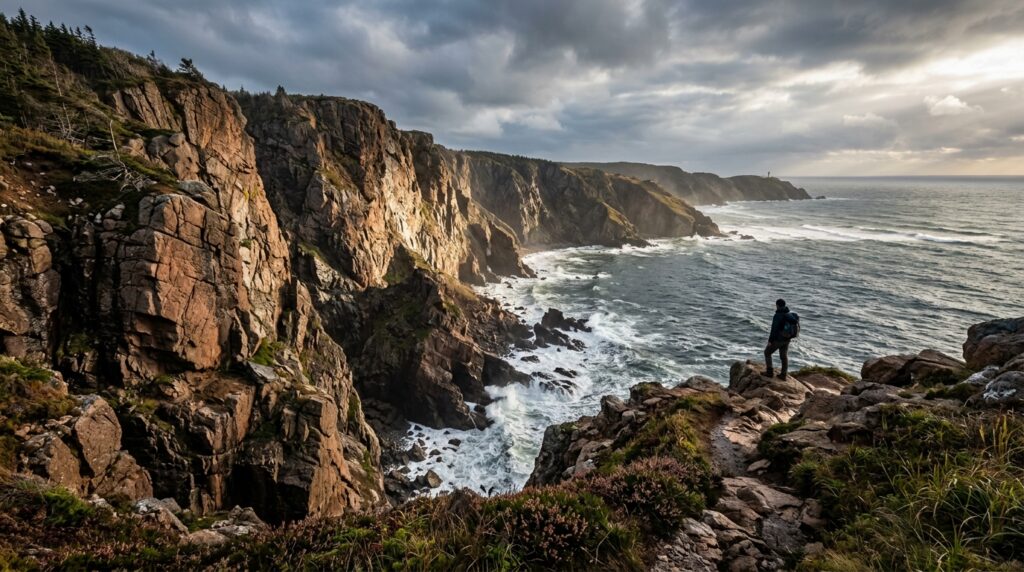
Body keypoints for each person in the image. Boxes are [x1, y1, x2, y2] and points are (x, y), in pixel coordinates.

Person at [765, 298, 792, 379]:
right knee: (784, 356)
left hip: (779, 339)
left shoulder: (778, 315)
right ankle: (783, 375)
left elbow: (774, 329)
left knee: (767, 352)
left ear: (777, 305)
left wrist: (770, 341)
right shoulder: (789, 313)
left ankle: (769, 373)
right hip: (787, 339)